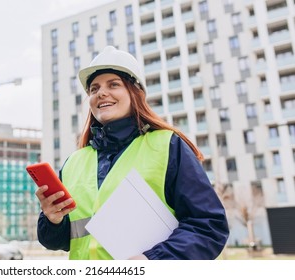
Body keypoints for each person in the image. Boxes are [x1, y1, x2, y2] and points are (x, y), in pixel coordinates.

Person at [35, 46, 229, 260]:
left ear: (135, 92)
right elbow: (66, 241)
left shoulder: (167, 146)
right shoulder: (74, 162)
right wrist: (53, 220)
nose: (101, 93)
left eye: (114, 84)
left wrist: (153, 260)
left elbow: (208, 227)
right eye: (94, 88)